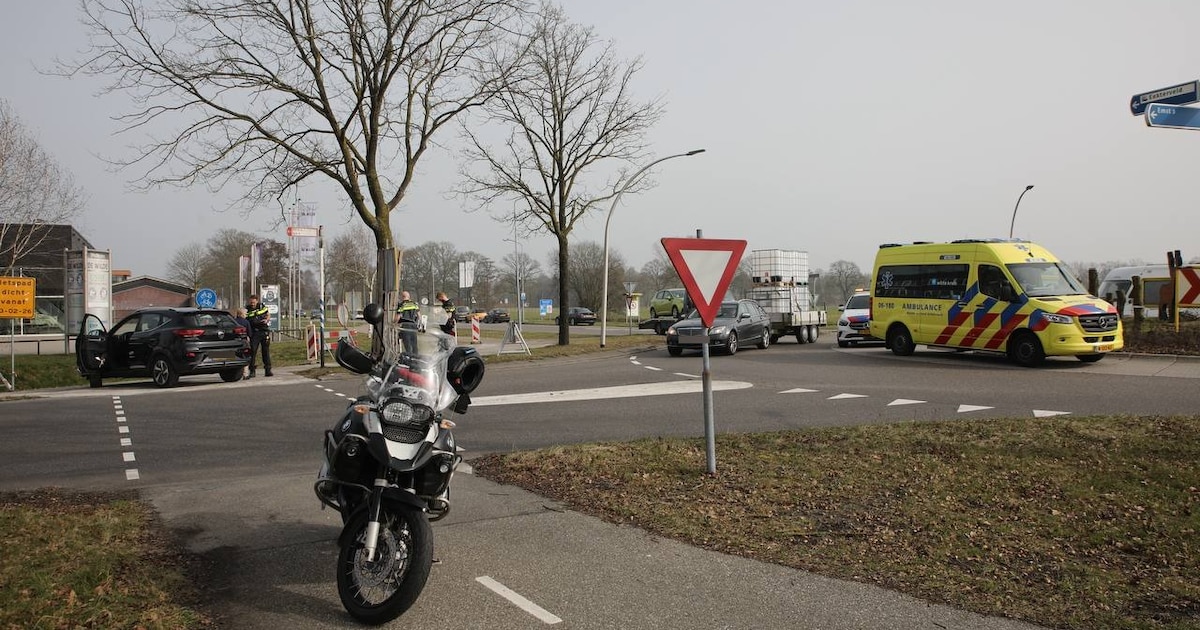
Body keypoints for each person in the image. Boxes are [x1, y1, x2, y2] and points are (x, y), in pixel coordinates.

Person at [245, 294, 273, 378]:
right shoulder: (247, 308)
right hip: (254, 332)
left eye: (253, 302)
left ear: (257, 301)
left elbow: (268, 314)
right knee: (253, 352)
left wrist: (267, 319)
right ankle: (252, 371)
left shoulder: (262, 306)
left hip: (264, 331)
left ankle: (268, 370)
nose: (252, 304)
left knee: (265, 352)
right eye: (251, 302)